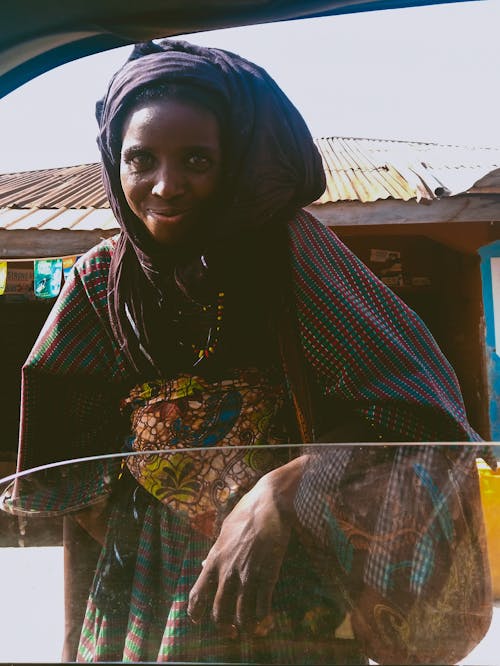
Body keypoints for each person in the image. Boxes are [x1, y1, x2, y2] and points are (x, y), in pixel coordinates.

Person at [1, 39, 493, 664]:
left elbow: (418, 411)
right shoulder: (104, 281)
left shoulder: (292, 259)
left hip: (283, 576)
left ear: (237, 162)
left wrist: (286, 487)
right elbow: (68, 456)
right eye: (139, 159)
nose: (165, 186)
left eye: (198, 160)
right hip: (141, 579)